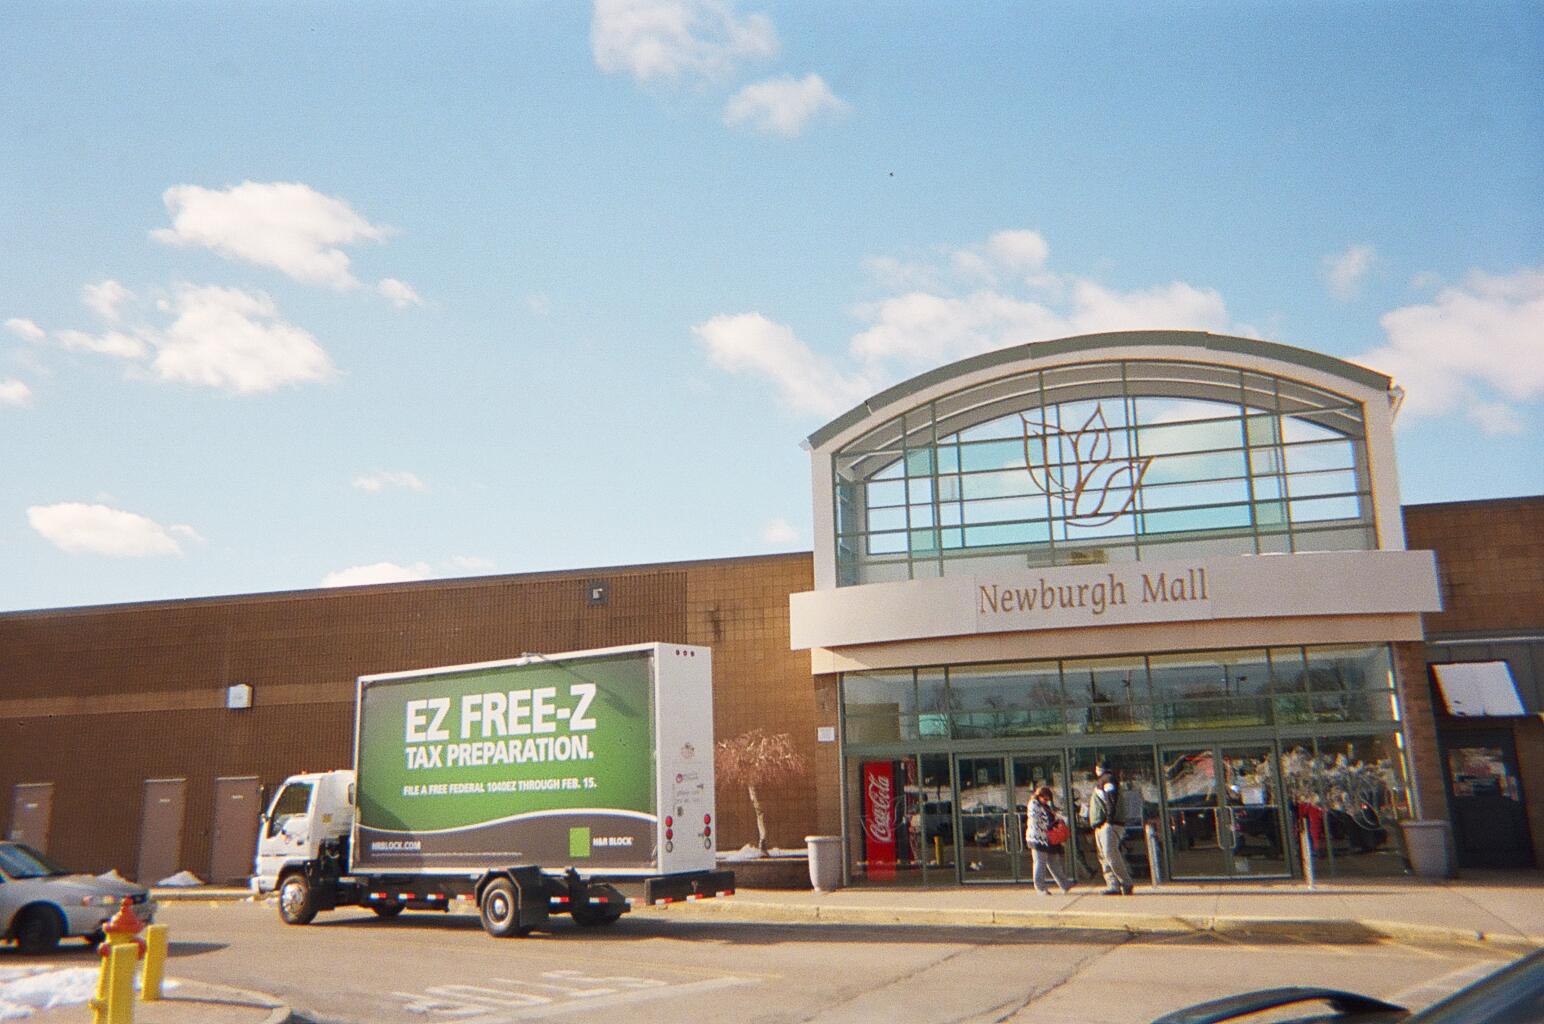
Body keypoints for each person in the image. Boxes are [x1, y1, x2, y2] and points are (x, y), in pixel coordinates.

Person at [1090, 768, 1134, 895]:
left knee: (1110, 853)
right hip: (1100, 825)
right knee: (1104, 856)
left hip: (1108, 824)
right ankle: (1113, 885)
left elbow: (1111, 799)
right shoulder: (1103, 781)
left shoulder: (1108, 779)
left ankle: (1126, 882)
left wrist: (1109, 820)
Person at [1025, 785, 1072, 894]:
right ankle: (1040, 888)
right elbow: (1036, 821)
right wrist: (1051, 824)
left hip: (1049, 838)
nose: (1046, 801)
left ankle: (1065, 884)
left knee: (1054, 861)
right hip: (1038, 838)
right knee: (1040, 863)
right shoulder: (1033, 805)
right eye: (1045, 799)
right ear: (1039, 796)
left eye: (1048, 800)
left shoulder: (1045, 806)